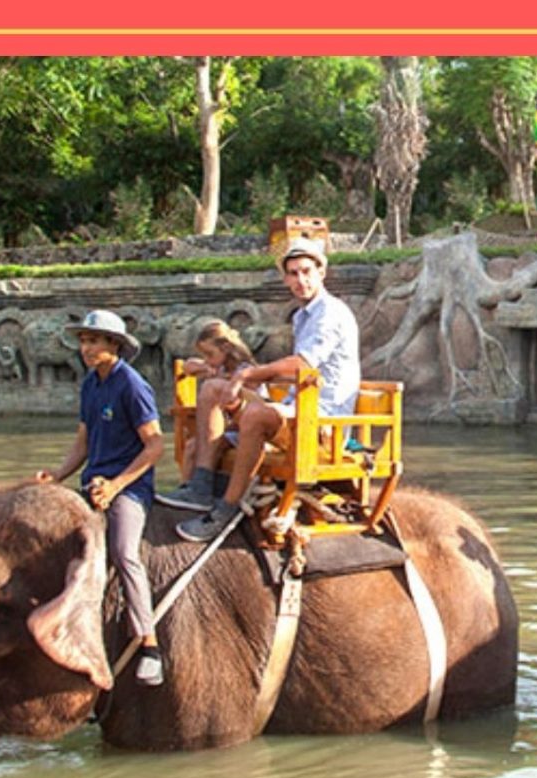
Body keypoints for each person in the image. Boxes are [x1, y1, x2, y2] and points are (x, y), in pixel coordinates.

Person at [157, 237, 360, 543]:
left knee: (255, 413)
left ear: (322, 272)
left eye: (306, 271)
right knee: (213, 388)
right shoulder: (304, 316)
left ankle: (226, 508)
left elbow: (303, 365)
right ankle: (200, 486)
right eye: (293, 273)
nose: (300, 280)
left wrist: (249, 374)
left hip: (322, 423)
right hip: (296, 408)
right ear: (285, 278)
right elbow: (286, 375)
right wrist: (226, 375)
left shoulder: (330, 312)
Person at [35, 309, 166, 686]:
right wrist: (58, 475)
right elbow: (83, 440)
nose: (86, 348)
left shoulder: (132, 385)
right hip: (93, 482)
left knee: (125, 553)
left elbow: (155, 445)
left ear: (115, 345)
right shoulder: (91, 384)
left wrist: (116, 485)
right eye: (83, 341)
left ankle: (150, 645)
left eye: (94, 341)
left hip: (129, 488)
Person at [177, 319, 258, 482]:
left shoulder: (245, 372)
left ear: (226, 349)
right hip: (227, 429)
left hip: (243, 431)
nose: (206, 359)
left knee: (197, 446)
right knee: (192, 445)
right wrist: (205, 367)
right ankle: (187, 487)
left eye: (209, 354)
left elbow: (250, 403)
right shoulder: (219, 368)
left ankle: (197, 488)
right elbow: (187, 366)